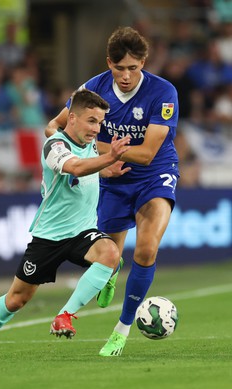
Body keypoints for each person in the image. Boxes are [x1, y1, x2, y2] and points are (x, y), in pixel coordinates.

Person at [0, 88, 130, 361]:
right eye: (91, 121)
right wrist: (110, 158)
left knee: (110, 252)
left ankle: (65, 315)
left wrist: (108, 169)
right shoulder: (55, 146)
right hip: (49, 236)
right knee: (16, 299)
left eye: (100, 122)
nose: (97, 129)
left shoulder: (90, 143)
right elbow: (75, 167)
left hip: (83, 230)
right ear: (72, 118)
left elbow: (88, 165)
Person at [45, 26, 180, 357]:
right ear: (109, 63)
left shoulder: (163, 92)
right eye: (119, 68)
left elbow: (147, 153)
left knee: (146, 251)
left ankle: (121, 330)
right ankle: (110, 273)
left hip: (155, 175)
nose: (125, 76)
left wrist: (99, 150)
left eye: (133, 68)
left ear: (143, 63)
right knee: (109, 257)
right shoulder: (92, 89)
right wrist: (95, 161)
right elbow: (54, 127)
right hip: (112, 180)